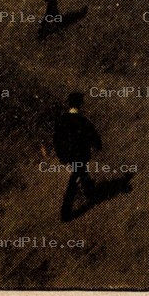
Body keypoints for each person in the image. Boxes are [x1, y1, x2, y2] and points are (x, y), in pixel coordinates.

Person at [52, 91, 102, 222]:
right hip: (80, 155)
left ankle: (90, 193)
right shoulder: (82, 120)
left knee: (80, 174)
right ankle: (66, 212)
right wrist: (97, 145)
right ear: (80, 104)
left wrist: (61, 155)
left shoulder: (61, 120)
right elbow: (94, 137)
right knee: (75, 180)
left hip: (68, 155)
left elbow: (57, 140)